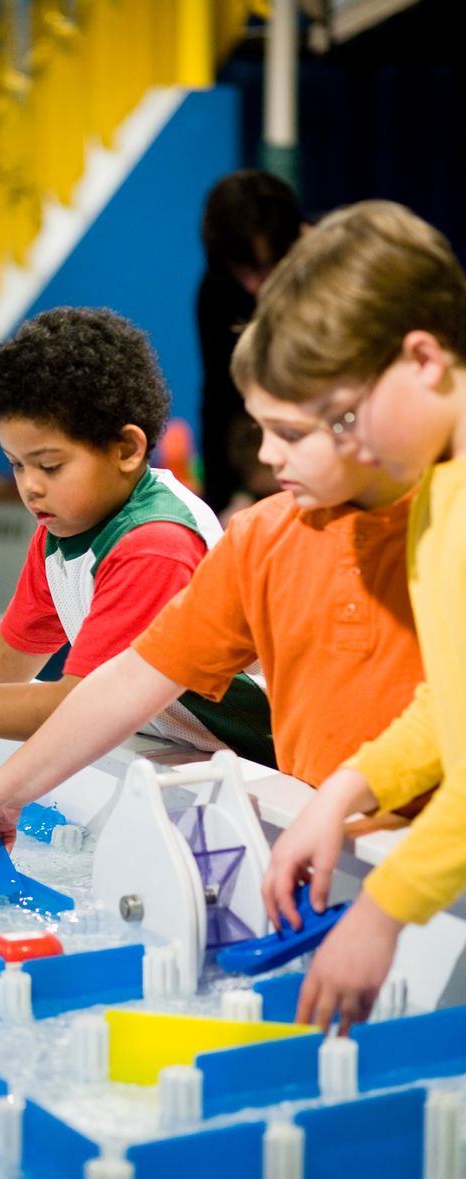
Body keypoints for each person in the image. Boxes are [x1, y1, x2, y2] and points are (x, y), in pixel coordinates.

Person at [0, 318, 426, 870]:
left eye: (290, 433)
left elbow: (442, 725)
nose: (267, 455)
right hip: (313, 827)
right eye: (261, 428)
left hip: (414, 851)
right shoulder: (259, 536)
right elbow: (134, 678)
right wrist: (7, 789)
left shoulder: (439, 534)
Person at [0, 306, 272, 758]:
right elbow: (1, 669)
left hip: (281, 763)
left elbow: (80, 712)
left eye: (50, 466)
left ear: (126, 448)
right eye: (16, 464)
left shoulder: (156, 545)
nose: (30, 485)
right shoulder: (63, 528)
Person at [237, 199, 466, 1035]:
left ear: (425, 358)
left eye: (343, 416)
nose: (348, 446)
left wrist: (383, 912)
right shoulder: (437, 490)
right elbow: (454, 702)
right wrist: (342, 791)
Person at [197, 169, 305, 522]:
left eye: (270, 268)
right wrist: (221, 503)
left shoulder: (332, 273)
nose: (259, 287)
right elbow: (219, 400)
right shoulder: (216, 292)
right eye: (246, 273)